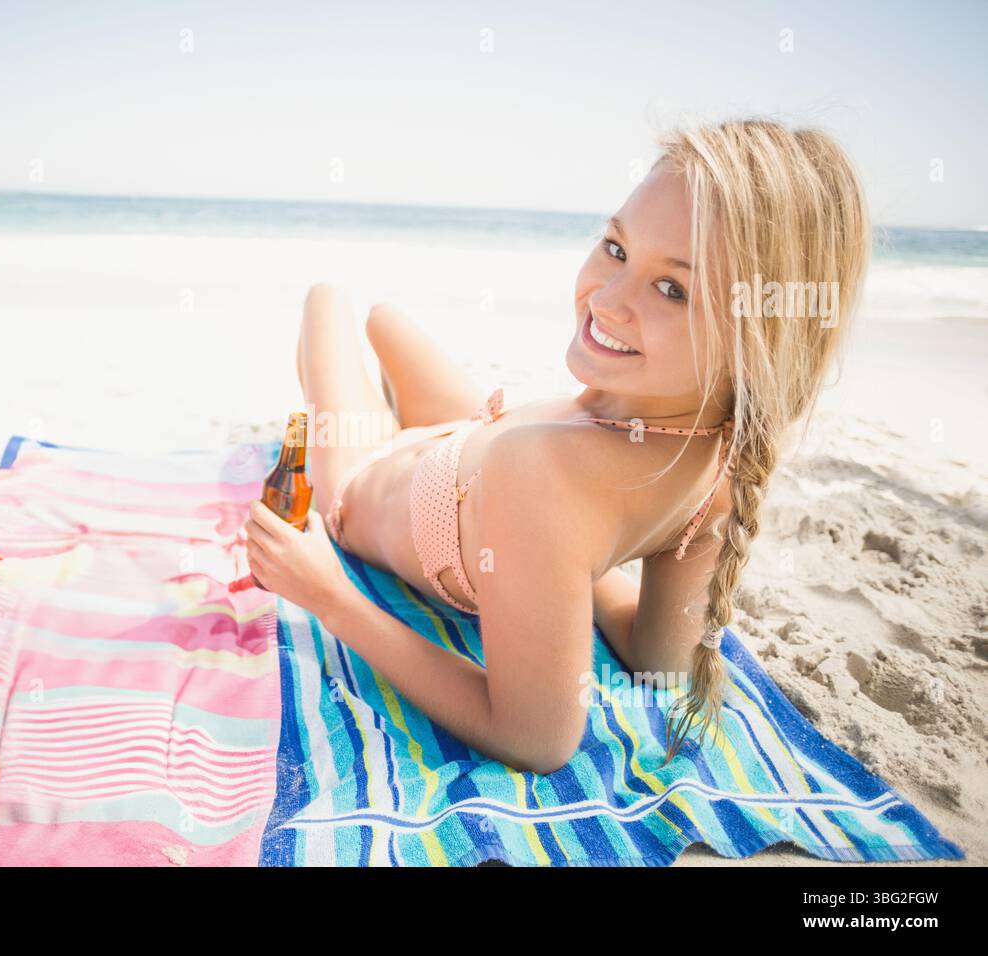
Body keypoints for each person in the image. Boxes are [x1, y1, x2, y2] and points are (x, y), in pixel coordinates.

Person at [242, 118, 870, 774]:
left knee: (327, 301)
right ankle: (424, 402)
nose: (607, 298)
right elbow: (660, 659)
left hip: (368, 481)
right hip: (479, 443)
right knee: (386, 320)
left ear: (760, 340)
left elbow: (535, 739)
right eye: (617, 248)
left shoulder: (545, 476)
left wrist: (324, 593)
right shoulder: (716, 460)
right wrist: (561, 570)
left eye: (672, 289)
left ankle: (386, 396)